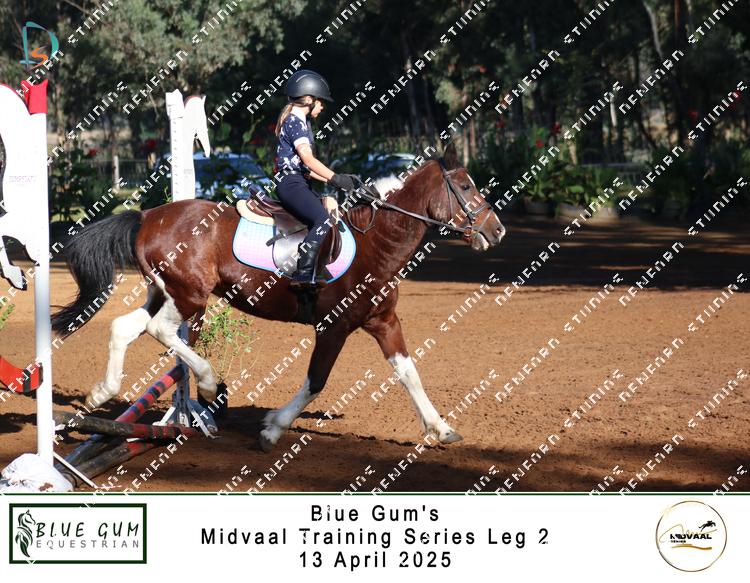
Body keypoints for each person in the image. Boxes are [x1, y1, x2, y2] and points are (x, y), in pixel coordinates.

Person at [273, 69, 359, 289]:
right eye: (320, 102)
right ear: (309, 100)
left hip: (298, 180)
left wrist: (333, 181)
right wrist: (336, 178)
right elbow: (308, 159)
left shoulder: (299, 121)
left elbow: (306, 168)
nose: (322, 107)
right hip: (291, 184)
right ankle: (303, 273)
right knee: (322, 220)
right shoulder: (295, 122)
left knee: (324, 213)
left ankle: (318, 264)